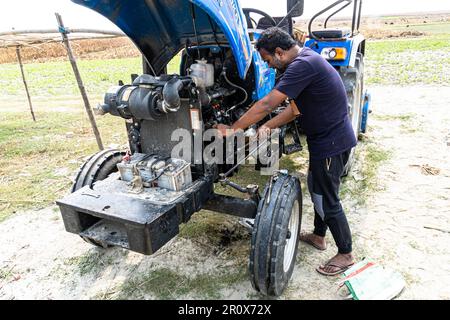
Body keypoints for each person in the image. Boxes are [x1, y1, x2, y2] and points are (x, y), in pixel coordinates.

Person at [215, 27, 356, 276]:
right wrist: (268, 124)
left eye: (268, 60)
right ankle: (319, 236)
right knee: (316, 188)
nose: (268, 66)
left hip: (332, 143)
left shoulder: (302, 65)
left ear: (279, 52)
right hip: (325, 140)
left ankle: (346, 253)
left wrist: (234, 129)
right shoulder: (306, 61)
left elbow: (269, 103)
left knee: (326, 197)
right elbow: (295, 109)